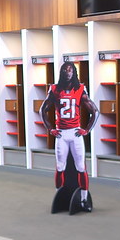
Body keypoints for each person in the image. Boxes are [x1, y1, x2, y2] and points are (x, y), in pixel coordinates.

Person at [39, 61, 99, 211]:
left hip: (75, 132)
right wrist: (50, 129)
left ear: (74, 72)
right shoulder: (55, 89)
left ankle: (84, 199)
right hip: (61, 133)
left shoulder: (80, 89)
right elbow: (42, 110)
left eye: (70, 70)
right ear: (61, 72)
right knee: (60, 167)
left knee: (81, 167)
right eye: (65, 70)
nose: (68, 73)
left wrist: (87, 129)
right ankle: (59, 194)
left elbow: (95, 111)